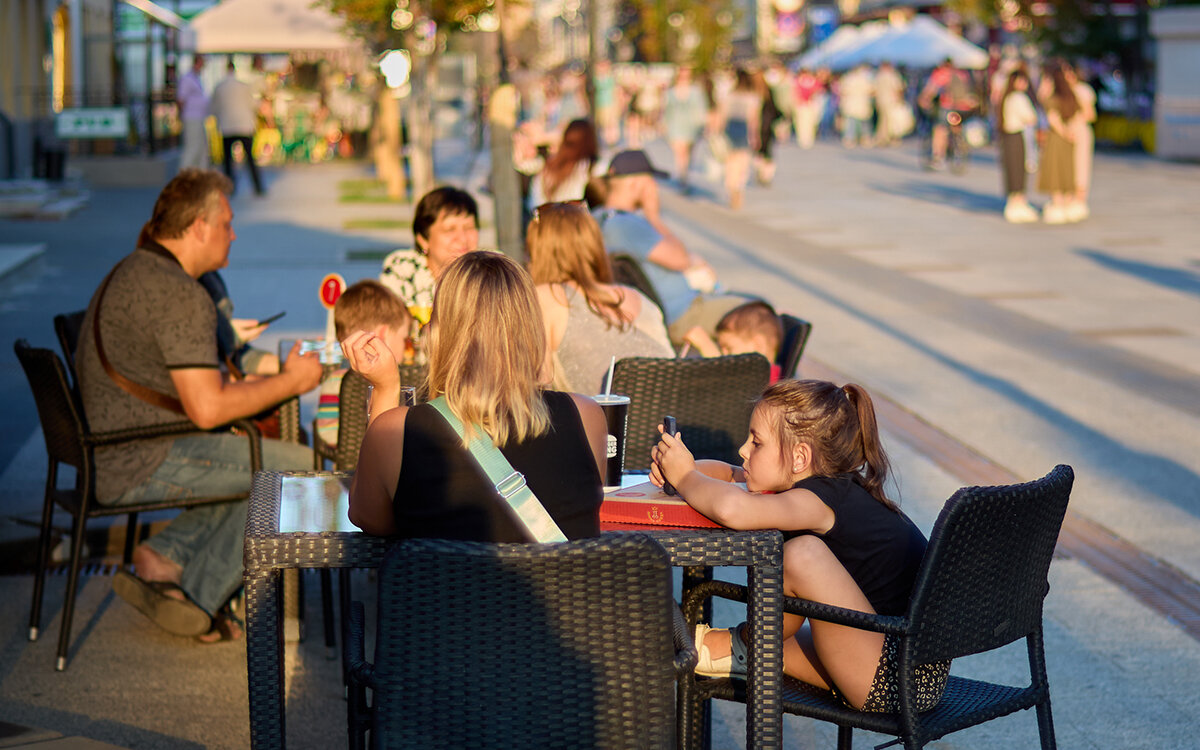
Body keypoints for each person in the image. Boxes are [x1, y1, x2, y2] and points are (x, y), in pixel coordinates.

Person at [75, 168, 322, 641]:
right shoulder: (181, 294)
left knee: (265, 470)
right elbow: (208, 409)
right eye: (226, 222)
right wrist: (292, 381)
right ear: (197, 227)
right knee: (303, 477)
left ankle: (166, 553)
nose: (233, 232)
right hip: (141, 457)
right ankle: (199, 595)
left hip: (114, 449)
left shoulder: (135, 270)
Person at [650, 379, 948, 712]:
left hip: (895, 681)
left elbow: (733, 509)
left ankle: (742, 645)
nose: (743, 450)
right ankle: (742, 647)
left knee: (801, 555)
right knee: (740, 645)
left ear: (800, 457)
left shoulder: (816, 501)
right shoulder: (828, 486)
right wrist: (680, 470)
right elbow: (731, 475)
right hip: (911, 667)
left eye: (757, 442)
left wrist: (687, 479)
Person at [343, 251, 608, 542]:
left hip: (444, 588)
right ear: (530, 330)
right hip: (560, 588)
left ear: (441, 334)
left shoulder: (395, 432)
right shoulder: (586, 416)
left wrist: (385, 389)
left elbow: (370, 518)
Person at [592, 149, 752, 347]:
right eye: (651, 182)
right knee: (757, 314)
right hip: (681, 315)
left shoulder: (601, 217)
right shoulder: (626, 225)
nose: (655, 188)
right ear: (636, 184)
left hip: (675, 310)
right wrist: (654, 216)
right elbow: (681, 260)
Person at [526, 201, 674, 394]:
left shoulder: (546, 297)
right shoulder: (638, 298)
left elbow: (537, 388)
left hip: (605, 422)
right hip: (672, 418)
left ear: (538, 253)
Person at [315, 280, 413, 448]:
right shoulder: (406, 378)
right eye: (404, 338)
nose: (406, 347)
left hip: (347, 467)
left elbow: (326, 433)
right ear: (383, 334)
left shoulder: (335, 380)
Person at [379, 186, 480, 327]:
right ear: (423, 239)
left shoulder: (492, 272)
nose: (462, 238)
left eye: (469, 228)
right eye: (450, 229)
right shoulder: (403, 269)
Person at [682, 300, 785, 382]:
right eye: (721, 348)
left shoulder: (764, 378)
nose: (724, 353)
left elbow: (726, 381)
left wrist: (706, 345)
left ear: (758, 346)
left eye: (729, 348)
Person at [209, 59, 264, 196]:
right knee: (250, 159)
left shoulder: (219, 87)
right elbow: (253, 105)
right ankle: (258, 187)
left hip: (227, 126)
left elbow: (214, 107)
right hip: (244, 126)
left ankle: (230, 188)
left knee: (227, 161)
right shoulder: (243, 86)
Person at [1037, 62, 1082, 224]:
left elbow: (1052, 119)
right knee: (1068, 170)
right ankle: (1069, 202)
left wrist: (1063, 132)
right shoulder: (1071, 96)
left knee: (1055, 171)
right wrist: (1071, 132)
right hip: (1070, 139)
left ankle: (1058, 203)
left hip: (1057, 139)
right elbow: (1078, 116)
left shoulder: (1053, 99)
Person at [522, 118, 599, 211]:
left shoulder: (546, 167)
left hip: (544, 221)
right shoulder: (590, 167)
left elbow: (534, 203)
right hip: (575, 221)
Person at [998, 68, 1040, 223]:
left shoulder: (1007, 97)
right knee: (1018, 169)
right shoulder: (1018, 97)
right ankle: (1018, 202)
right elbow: (1031, 117)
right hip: (1017, 135)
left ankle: (1015, 201)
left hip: (1009, 137)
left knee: (1012, 169)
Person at [918, 59, 978, 168]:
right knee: (956, 126)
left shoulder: (941, 74)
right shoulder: (962, 74)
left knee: (940, 129)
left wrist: (924, 100)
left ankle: (938, 157)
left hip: (947, 106)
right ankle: (959, 144)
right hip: (963, 107)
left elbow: (930, 90)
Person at [719, 68, 761, 210]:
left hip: (730, 127)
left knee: (731, 161)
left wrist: (719, 131)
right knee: (742, 162)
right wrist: (755, 136)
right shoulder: (752, 97)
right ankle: (738, 188)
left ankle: (732, 186)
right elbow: (753, 119)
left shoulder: (729, 95)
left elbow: (723, 114)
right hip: (744, 128)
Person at [663, 67, 708, 193]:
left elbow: (701, 109)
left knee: (688, 153)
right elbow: (666, 110)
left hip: (691, 126)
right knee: (679, 153)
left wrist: (703, 124)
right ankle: (683, 176)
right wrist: (664, 125)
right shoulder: (671, 92)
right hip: (675, 125)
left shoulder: (696, 92)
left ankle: (685, 174)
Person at [1066, 62, 1097, 220]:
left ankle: (1080, 199)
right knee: (1068, 166)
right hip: (1066, 132)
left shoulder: (1083, 91)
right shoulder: (1063, 90)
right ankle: (1068, 198)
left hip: (1080, 131)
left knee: (1080, 165)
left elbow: (1091, 115)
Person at [177, 55, 210, 170]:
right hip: (191, 119)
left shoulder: (197, 78)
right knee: (192, 148)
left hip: (200, 118)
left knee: (201, 149)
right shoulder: (187, 79)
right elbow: (181, 100)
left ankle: (198, 177)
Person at [837, 64, 875, 149]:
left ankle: (849, 139)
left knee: (851, 122)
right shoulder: (864, 79)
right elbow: (871, 91)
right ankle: (866, 138)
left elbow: (842, 91)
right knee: (864, 122)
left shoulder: (847, 79)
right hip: (862, 102)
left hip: (851, 103)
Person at [872, 63, 906, 147]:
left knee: (882, 121)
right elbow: (899, 88)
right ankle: (891, 137)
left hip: (881, 101)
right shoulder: (893, 76)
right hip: (891, 101)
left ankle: (882, 138)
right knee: (892, 121)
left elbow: (873, 90)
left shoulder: (878, 76)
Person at [792, 68, 825, 150]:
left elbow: (819, 90)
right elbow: (794, 93)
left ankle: (809, 138)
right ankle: (803, 139)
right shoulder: (797, 82)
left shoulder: (813, 81)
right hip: (802, 105)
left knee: (810, 122)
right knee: (801, 123)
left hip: (810, 104)